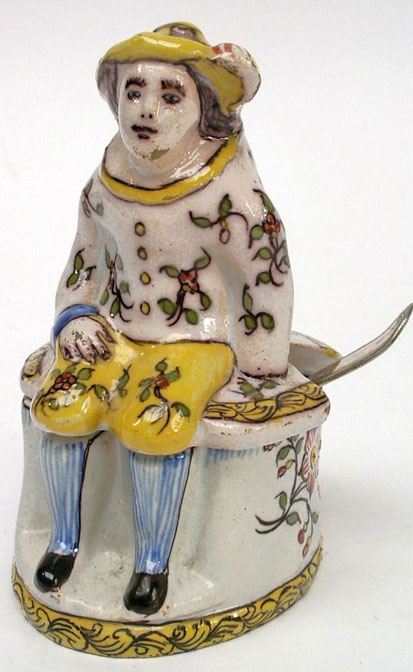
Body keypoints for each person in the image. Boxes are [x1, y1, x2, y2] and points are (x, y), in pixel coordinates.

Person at [30, 22, 294, 615]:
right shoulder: (104, 184)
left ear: (204, 111)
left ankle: (152, 564)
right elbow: (84, 260)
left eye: (171, 96)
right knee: (63, 407)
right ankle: (64, 543)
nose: (146, 109)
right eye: (134, 90)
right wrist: (74, 316)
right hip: (115, 332)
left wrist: (262, 366)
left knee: (157, 423)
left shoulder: (228, 195)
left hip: (196, 341)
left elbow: (265, 276)